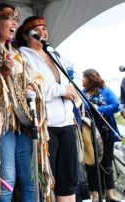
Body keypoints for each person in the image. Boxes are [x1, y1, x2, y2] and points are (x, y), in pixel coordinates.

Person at [0, 3, 53, 201]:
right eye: (10, 18)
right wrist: (1, 73)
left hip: (23, 126)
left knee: (31, 182)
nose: (15, 22)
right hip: (1, 129)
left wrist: (32, 86)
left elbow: (37, 78)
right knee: (6, 183)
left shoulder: (16, 53)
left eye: (16, 18)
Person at [14, 16, 82, 201]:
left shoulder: (55, 54)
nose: (43, 33)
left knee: (68, 182)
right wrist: (62, 90)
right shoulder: (22, 56)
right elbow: (30, 88)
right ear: (26, 35)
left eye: (44, 28)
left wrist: (73, 90)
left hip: (67, 122)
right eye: (37, 30)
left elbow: (74, 77)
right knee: (45, 180)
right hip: (46, 126)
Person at [82, 68, 121, 202]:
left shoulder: (105, 91)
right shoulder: (82, 93)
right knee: (91, 165)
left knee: (107, 163)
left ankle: (110, 194)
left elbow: (116, 105)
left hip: (106, 134)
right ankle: (95, 195)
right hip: (89, 134)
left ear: (91, 78)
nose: (82, 80)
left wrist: (100, 110)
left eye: (84, 77)